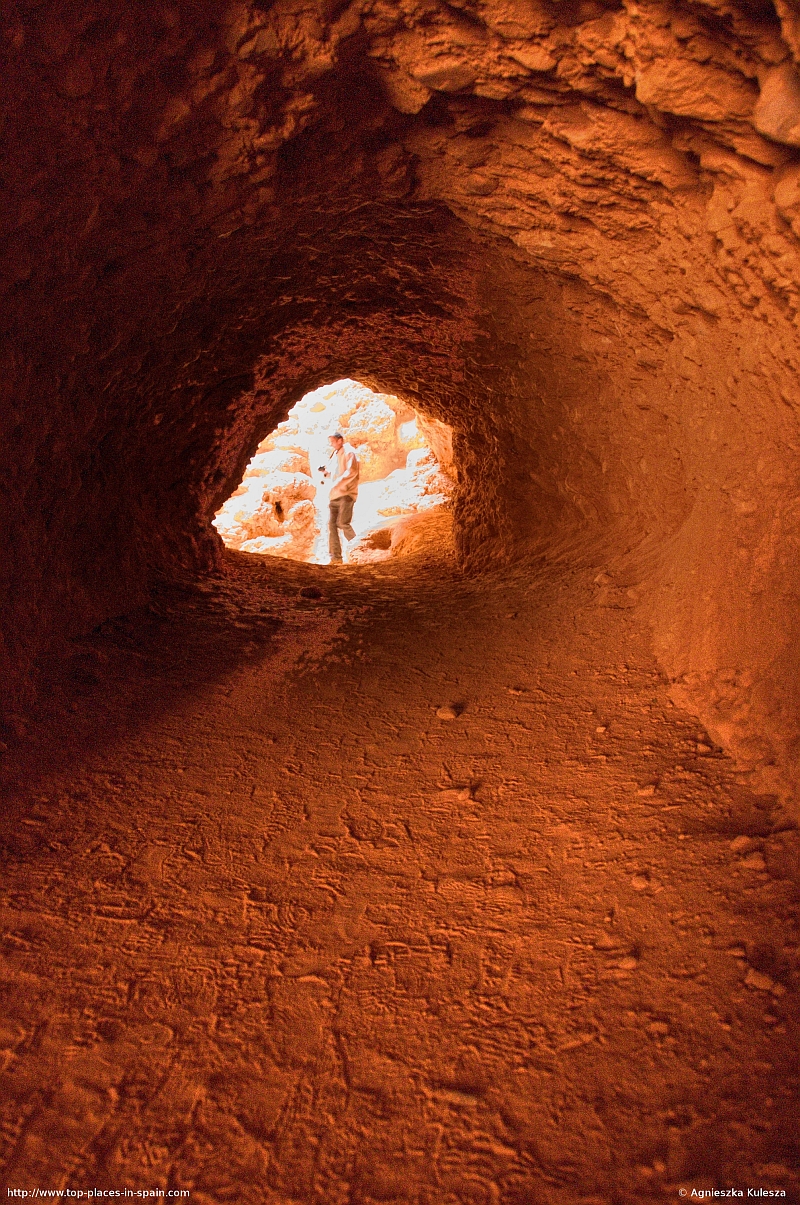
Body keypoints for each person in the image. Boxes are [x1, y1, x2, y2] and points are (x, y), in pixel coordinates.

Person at [326, 432, 359, 564]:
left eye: (333, 441)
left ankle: (359, 551)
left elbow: (351, 471)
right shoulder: (335, 454)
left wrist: (337, 484)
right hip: (335, 495)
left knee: (343, 523)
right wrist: (326, 473)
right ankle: (335, 558)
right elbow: (335, 472)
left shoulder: (349, 452)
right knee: (332, 525)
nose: (331, 444)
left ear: (340, 440)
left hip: (346, 494)